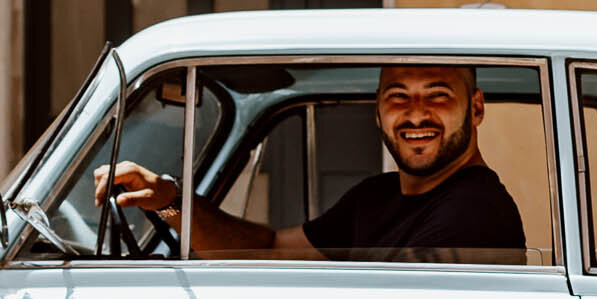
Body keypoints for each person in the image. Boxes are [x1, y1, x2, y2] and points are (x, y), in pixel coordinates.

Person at [96, 64, 526, 263]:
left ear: (476, 108)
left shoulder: (478, 211)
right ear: (378, 113)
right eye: (398, 97)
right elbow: (269, 250)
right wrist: (171, 203)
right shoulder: (376, 197)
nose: (415, 113)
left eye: (438, 95)